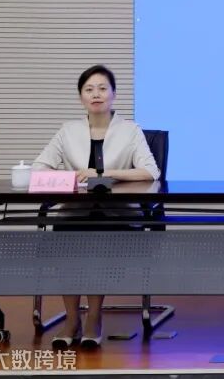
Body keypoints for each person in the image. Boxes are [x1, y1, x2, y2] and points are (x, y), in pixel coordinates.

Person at [32, 64, 161, 349]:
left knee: (96, 243)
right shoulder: (68, 131)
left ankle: (93, 317)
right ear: (81, 96)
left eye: (103, 88)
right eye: (89, 89)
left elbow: (151, 172)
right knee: (66, 242)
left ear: (114, 94)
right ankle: (71, 319)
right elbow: (40, 168)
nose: (96, 94)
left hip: (119, 214)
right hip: (74, 211)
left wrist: (102, 174)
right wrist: (71, 178)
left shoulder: (130, 130)